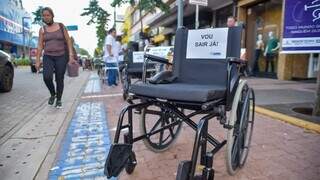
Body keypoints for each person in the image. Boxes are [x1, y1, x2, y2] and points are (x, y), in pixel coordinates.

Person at [36, 7, 76, 108]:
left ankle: (59, 99)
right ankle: (53, 94)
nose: (46, 17)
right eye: (44, 16)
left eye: (48, 15)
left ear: (52, 15)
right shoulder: (42, 29)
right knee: (47, 77)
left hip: (62, 56)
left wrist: (71, 55)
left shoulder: (61, 26)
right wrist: (37, 60)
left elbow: (68, 41)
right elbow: (40, 46)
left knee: (59, 79)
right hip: (48, 56)